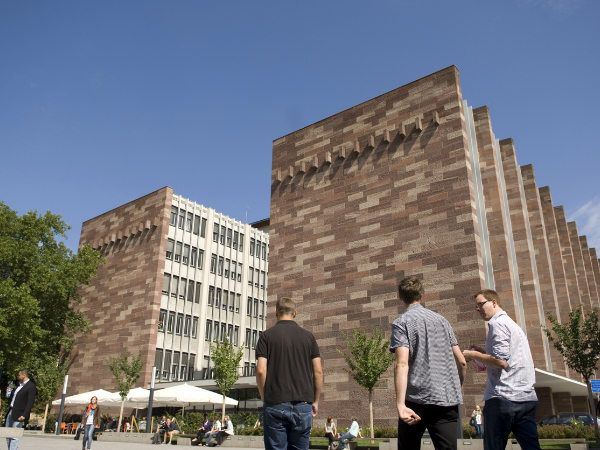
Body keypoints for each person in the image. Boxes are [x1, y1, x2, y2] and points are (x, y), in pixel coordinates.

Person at [390, 277, 467, 450]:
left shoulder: (401, 323)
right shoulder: (443, 321)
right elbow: (462, 361)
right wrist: (455, 387)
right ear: (421, 295)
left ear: (400, 297)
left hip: (416, 401)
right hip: (446, 399)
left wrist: (400, 405)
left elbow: (401, 364)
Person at [463, 289, 542, 450]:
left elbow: (500, 362)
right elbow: (508, 359)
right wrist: (484, 353)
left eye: (480, 304)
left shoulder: (497, 324)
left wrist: (473, 354)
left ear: (494, 302)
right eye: (476, 306)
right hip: (526, 398)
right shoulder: (512, 325)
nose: (478, 309)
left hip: (503, 398)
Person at [256, 297, 323, 450]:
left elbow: (261, 370)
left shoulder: (266, 336)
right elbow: (318, 371)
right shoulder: (309, 337)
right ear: (295, 313)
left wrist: (263, 395)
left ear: (275, 312)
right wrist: (316, 401)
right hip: (303, 404)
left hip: (274, 403)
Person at [4, 368, 37, 450]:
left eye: (19, 375)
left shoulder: (31, 386)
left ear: (24, 375)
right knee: (8, 433)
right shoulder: (19, 386)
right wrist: (9, 392)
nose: (17, 376)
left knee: (15, 435)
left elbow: (30, 402)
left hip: (19, 413)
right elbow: (15, 398)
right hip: (11, 411)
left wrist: (24, 415)